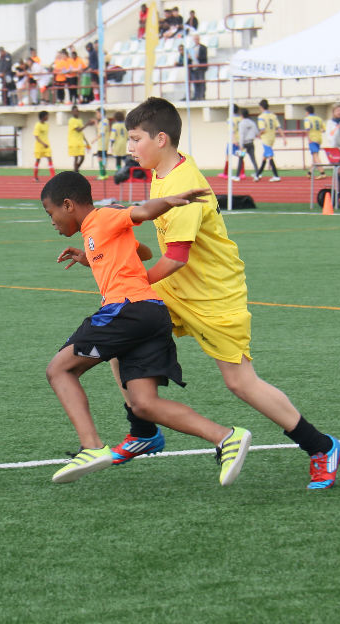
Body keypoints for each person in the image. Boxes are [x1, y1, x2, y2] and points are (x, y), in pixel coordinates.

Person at [117, 97, 340, 489]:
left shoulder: (184, 184)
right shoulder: (163, 169)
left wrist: (133, 282)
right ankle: (143, 430)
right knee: (118, 330)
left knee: (240, 383)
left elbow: (176, 259)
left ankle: (321, 446)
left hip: (213, 294)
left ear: (161, 138)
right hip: (175, 290)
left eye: (135, 139)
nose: (128, 148)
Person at [41, 170, 252, 485]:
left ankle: (92, 447)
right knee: (144, 403)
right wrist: (92, 257)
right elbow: (144, 253)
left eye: (51, 213)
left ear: (68, 205)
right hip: (153, 316)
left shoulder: (104, 218)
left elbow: (139, 212)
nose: (52, 221)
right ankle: (225, 437)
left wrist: (168, 201)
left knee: (59, 370)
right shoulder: (94, 231)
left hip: (126, 310)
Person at [256, 99, 284, 182]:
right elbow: (279, 127)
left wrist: (258, 134)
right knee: (265, 157)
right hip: (272, 138)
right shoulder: (273, 116)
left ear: (261, 107)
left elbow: (263, 129)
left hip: (266, 139)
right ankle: (258, 174)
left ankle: (276, 175)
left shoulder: (261, 117)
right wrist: (284, 138)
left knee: (270, 156)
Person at [232, 108, 260, 182]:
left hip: (244, 144)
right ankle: (257, 174)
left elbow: (241, 135)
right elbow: (257, 133)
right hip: (251, 142)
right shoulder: (252, 122)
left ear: (242, 115)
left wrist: (240, 145)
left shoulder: (241, 123)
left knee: (240, 159)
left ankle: (237, 176)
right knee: (253, 159)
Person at [304, 105, 326, 178]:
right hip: (319, 138)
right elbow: (324, 129)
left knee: (315, 155)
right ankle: (309, 172)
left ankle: (322, 172)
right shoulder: (319, 118)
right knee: (315, 156)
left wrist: (309, 138)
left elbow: (307, 129)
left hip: (312, 138)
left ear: (307, 112)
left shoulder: (307, 119)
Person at [33, 110, 55, 181]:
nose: (48, 117)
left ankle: (53, 177)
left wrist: (46, 144)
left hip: (46, 146)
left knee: (49, 158)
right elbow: (36, 136)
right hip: (39, 146)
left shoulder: (47, 125)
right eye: (47, 115)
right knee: (38, 160)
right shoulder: (38, 125)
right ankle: (35, 177)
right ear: (43, 117)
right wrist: (43, 143)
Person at [67, 105, 88, 173]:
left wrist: (86, 141)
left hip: (80, 141)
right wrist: (87, 124)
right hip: (73, 141)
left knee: (82, 157)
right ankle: (76, 171)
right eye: (75, 111)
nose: (77, 112)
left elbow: (81, 132)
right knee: (76, 158)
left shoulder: (80, 120)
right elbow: (78, 130)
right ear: (72, 112)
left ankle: (75, 170)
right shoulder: (71, 120)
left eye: (77, 111)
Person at [189, 35, 208, 100]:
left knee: (201, 82)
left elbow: (204, 57)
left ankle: (202, 95)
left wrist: (198, 57)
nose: (196, 40)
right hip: (194, 67)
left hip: (200, 67)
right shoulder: (192, 48)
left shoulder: (203, 47)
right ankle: (196, 96)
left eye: (197, 39)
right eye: (195, 39)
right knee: (195, 82)